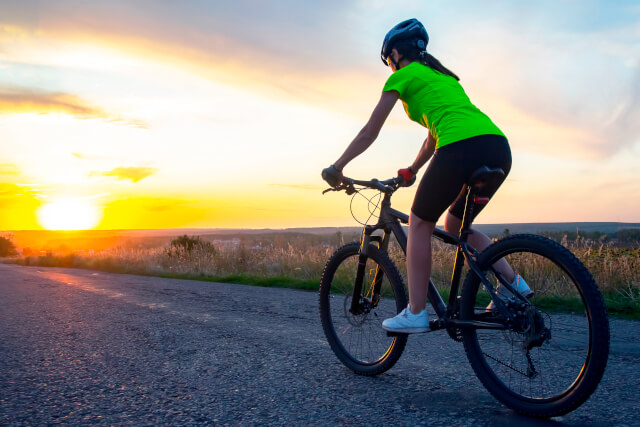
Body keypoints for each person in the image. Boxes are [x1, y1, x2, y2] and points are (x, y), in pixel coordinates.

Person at [322, 18, 531, 333]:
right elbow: (434, 135)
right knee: (456, 225)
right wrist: (413, 169)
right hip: (497, 146)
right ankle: (513, 284)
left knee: (419, 223)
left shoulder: (403, 76)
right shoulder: (444, 78)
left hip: (461, 147)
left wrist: (337, 166)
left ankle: (416, 311)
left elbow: (370, 131)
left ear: (394, 55)